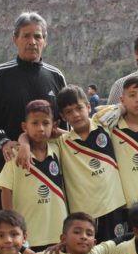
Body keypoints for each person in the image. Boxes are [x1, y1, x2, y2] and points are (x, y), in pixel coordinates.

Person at [0, 11, 67, 217]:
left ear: (45, 40)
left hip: (49, 170)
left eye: (38, 36)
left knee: (49, 227)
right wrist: (3, 141)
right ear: (15, 40)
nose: (32, 41)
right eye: (26, 36)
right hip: (9, 169)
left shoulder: (56, 76)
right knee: (5, 228)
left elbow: (65, 122)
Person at [18, 85, 126, 242]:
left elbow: (126, 107)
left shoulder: (104, 125)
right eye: (69, 112)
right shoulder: (62, 142)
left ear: (88, 107)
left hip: (114, 207)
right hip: (84, 215)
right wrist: (24, 143)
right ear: (62, 117)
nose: (75, 114)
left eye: (79, 108)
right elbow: (33, 134)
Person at [0, 100, 67, 252]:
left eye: (46, 123)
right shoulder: (15, 155)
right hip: (28, 233)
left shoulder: (59, 149)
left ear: (54, 125)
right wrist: (11, 225)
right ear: (24, 127)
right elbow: (6, 189)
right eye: (34, 123)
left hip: (57, 232)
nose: (40, 129)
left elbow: (75, 137)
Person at [94, 76, 138, 206]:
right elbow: (95, 121)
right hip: (123, 203)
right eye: (132, 95)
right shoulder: (112, 127)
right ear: (122, 100)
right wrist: (120, 109)